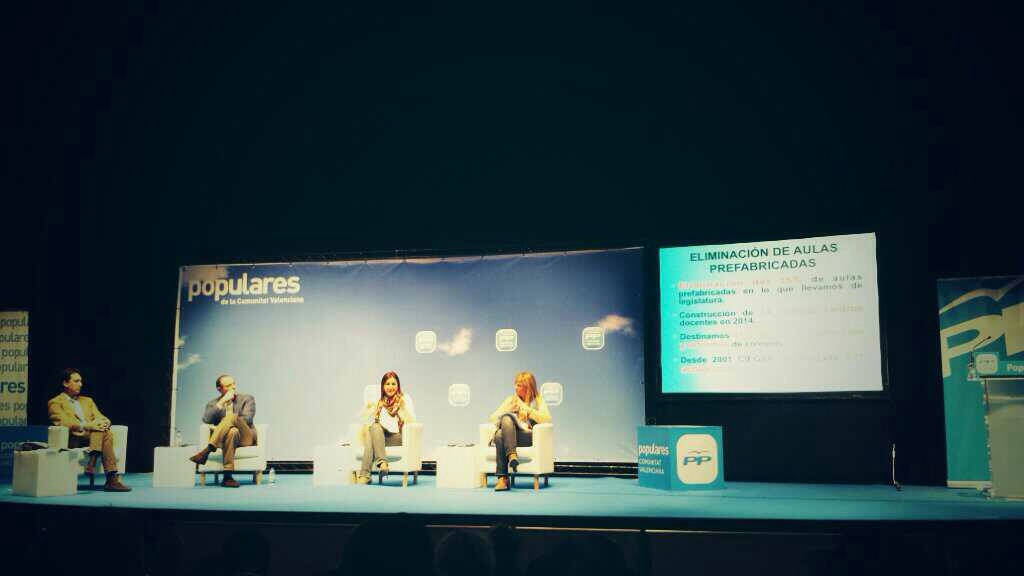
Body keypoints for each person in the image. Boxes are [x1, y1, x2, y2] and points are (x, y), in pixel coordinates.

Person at [47, 368, 131, 491]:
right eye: (76, 381)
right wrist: (87, 425)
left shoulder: (87, 401)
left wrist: (104, 422)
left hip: (92, 437)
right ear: (65, 383)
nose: (80, 384)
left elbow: (100, 417)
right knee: (103, 432)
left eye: (81, 381)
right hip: (74, 438)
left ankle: (92, 464)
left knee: (103, 430)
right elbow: (62, 422)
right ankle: (110, 478)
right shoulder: (55, 402)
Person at [189, 374, 257, 488]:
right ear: (219, 389)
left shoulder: (247, 399)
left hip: (246, 437)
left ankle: (207, 450)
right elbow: (206, 420)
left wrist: (226, 423)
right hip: (224, 439)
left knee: (232, 417)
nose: (233, 387)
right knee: (232, 432)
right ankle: (227, 477)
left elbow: (247, 419)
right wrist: (222, 402)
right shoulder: (213, 404)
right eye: (229, 385)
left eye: (234, 384)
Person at [488, 371, 551, 491]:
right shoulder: (511, 400)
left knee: (500, 435)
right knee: (502, 429)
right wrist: (507, 410)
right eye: (515, 384)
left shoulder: (537, 400)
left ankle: (503, 479)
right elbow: (492, 418)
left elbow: (546, 419)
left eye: (519, 385)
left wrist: (527, 410)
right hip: (510, 437)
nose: (515, 387)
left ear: (528, 387)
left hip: (527, 437)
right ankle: (511, 458)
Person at [356, 371, 416, 484]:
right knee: (374, 427)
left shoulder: (404, 399)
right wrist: (367, 408)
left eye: (393, 384)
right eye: (387, 384)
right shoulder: (380, 402)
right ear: (383, 386)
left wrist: (403, 409)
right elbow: (363, 418)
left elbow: (412, 422)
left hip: (398, 436)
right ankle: (382, 463)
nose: (390, 387)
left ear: (398, 385)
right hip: (381, 437)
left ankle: (365, 475)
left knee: (372, 433)